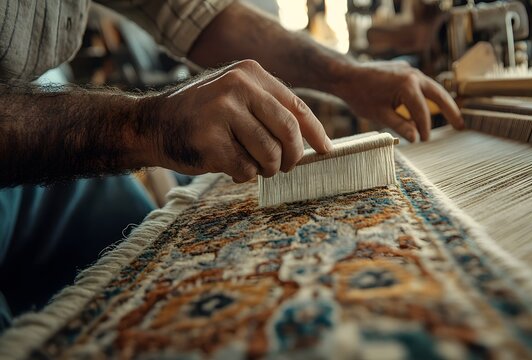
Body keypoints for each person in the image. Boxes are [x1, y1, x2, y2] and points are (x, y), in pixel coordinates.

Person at [0, 0, 463, 330]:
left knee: (151, 282)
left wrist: (349, 75)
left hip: (31, 163)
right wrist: (145, 126)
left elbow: (198, 13)